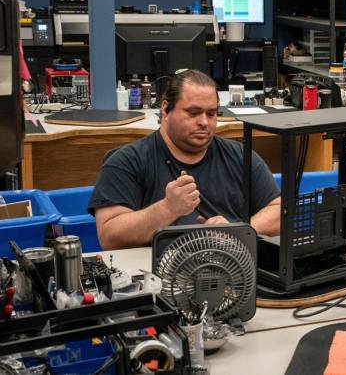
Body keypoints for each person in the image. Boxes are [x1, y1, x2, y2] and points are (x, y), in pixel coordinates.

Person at [88, 69, 281, 250]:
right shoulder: (127, 161)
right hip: (159, 277)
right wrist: (167, 209)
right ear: (165, 110)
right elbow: (109, 237)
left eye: (211, 114)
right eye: (193, 112)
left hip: (232, 268)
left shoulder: (239, 156)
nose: (204, 122)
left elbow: (281, 212)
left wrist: (238, 231)